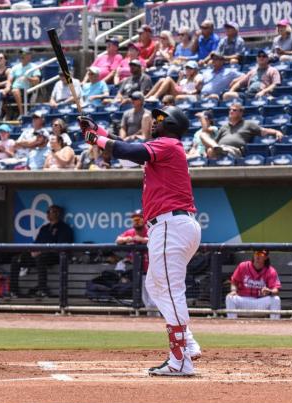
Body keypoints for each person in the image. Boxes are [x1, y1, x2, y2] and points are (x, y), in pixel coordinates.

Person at [80, 106, 202, 376]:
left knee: (170, 290)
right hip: (169, 225)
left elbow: (127, 150)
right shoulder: (162, 148)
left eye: (159, 119)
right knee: (156, 286)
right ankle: (188, 343)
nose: (154, 122)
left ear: (170, 123)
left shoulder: (169, 144)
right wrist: (96, 130)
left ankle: (180, 360)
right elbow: (125, 148)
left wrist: (94, 139)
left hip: (172, 224)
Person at [9, 205, 73, 298]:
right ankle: (13, 291)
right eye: (47, 212)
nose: (47, 214)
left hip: (55, 256)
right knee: (16, 259)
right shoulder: (44, 228)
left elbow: (61, 247)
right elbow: (36, 243)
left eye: (50, 212)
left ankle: (42, 290)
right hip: (39, 255)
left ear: (57, 213)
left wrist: (41, 252)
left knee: (40, 258)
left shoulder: (64, 228)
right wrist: (32, 251)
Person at [204, 102, 283, 158]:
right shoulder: (224, 126)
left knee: (215, 150)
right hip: (219, 148)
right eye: (230, 110)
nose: (231, 111)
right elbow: (215, 141)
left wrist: (276, 132)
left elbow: (263, 131)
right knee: (209, 146)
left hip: (234, 150)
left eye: (234, 110)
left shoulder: (248, 124)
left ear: (241, 113)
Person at [115, 209, 154, 311]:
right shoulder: (130, 232)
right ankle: (153, 322)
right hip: (140, 272)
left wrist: (141, 239)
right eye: (134, 219)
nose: (136, 221)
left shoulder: (150, 230)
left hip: (154, 271)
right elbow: (118, 240)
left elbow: (157, 240)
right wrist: (127, 239)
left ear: (144, 220)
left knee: (154, 301)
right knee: (147, 302)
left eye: (139, 219)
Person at [225, 250, 282, 319]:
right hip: (244, 301)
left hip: (260, 302)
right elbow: (234, 282)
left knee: (276, 299)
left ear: (266, 257)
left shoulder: (270, 270)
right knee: (230, 297)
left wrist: (270, 291)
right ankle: (232, 324)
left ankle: (274, 325)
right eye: (256, 253)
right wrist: (233, 290)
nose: (258, 256)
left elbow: (276, 289)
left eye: (261, 254)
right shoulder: (243, 266)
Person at [3, 48, 41, 117]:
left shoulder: (33, 66)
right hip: (14, 89)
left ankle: (21, 113)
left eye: (24, 54)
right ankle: (5, 115)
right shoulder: (15, 67)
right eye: (21, 54)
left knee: (15, 90)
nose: (21, 56)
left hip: (27, 90)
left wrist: (27, 78)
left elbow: (37, 80)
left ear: (29, 56)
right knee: (1, 93)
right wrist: (7, 87)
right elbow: (9, 80)